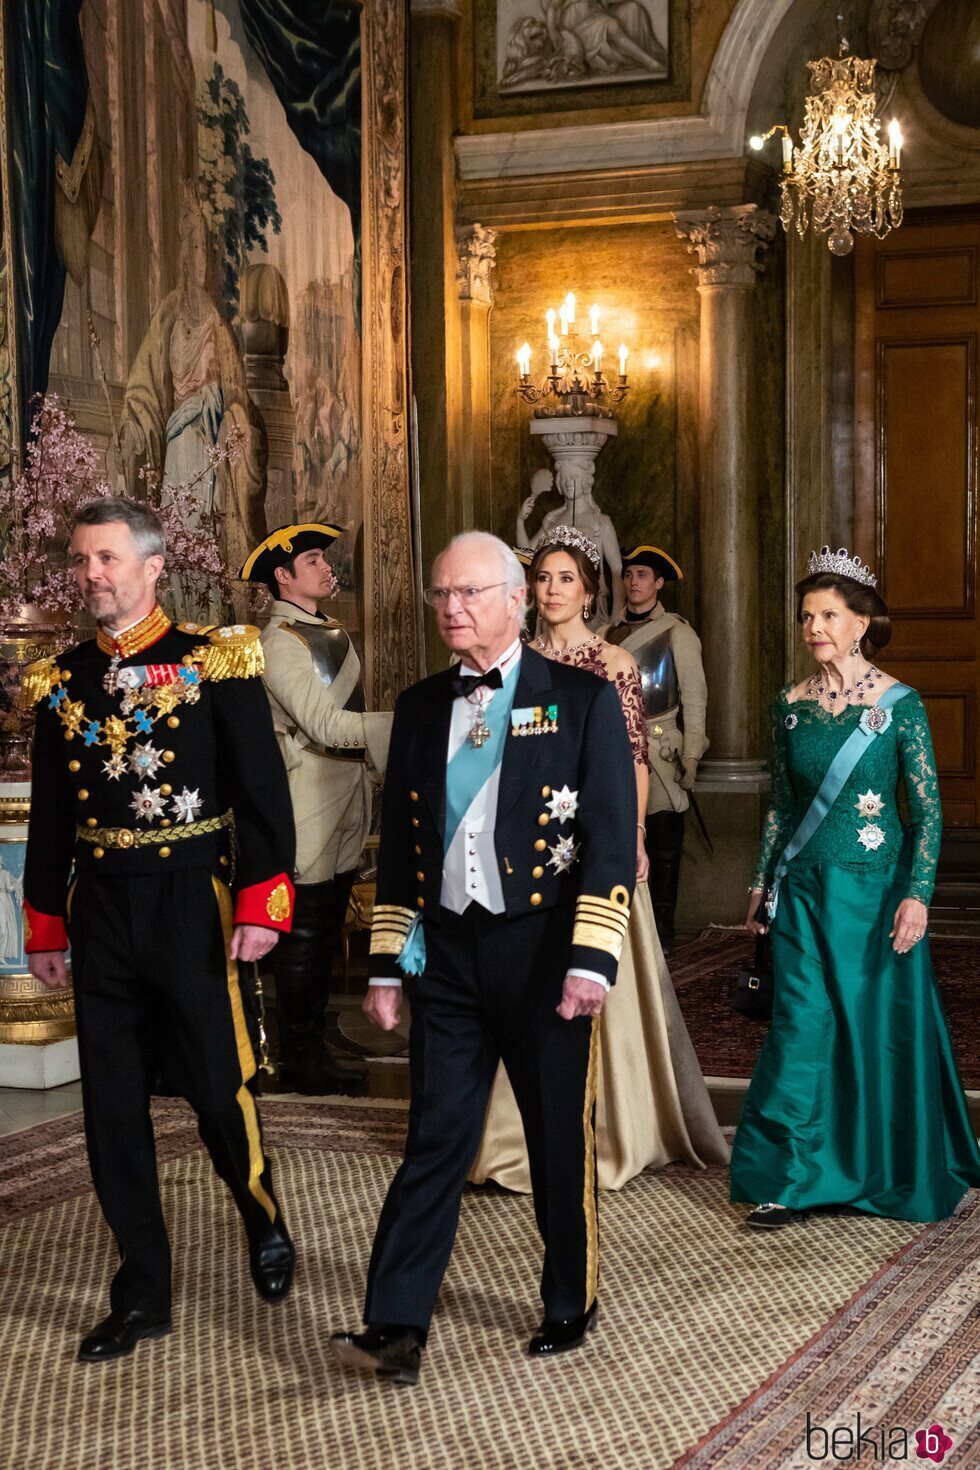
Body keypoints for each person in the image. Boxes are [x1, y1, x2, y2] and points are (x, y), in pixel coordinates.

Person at [330, 531, 637, 1386]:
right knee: (435, 1137)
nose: (450, 610)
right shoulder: (422, 704)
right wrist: (387, 964)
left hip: (544, 956)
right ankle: (395, 1323)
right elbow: (400, 848)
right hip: (449, 958)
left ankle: (569, 1298)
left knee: (553, 1139)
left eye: (467, 594)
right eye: (440, 596)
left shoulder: (580, 698)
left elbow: (611, 842)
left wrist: (592, 958)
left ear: (512, 599)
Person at [23, 497, 297, 1363]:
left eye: (106, 559)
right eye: (81, 560)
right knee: (111, 1108)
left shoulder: (215, 661)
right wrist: (43, 925)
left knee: (220, 1086)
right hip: (99, 906)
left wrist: (263, 903)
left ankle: (261, 1217)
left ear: (152, 566)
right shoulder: (60, 678)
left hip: (190, 898)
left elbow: (261, 794)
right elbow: (51, 820)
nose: (90, 575)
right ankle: (142, 1288)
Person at [472, 526, 729, 1192]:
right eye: (544, 578)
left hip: (595, 843)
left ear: (588, 592)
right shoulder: (514, 659)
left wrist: (632, 835)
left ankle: (617, 1121)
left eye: (566, 579)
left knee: (595, 971)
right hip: (531, 850)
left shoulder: (613, 663)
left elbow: (634, 761)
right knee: (528, 979)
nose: (552, 590)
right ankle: (515, 1127)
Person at [732, 548, 980, 1228]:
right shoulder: (789, 706)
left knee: (872, 1029)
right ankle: (789, 1176)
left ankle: (881, 1165)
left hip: (876, 896)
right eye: (807, 615)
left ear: (863, 622)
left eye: (829, 615)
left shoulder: (900, 705)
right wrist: (760, 882)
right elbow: (782, 806)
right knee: (800, 1026)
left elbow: (927, 813)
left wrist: (918, 894)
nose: (814, 627)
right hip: (805, 894)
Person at [240, 522, 392, 1094]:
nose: (328, 568)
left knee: (326, 926)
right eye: (312, 560)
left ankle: (312, 1045)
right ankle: (298, 1056)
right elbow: (325, 725)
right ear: (282, 576)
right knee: (302, 932)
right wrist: (412, 727)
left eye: (325, 559)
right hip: (306, 798)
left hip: (346, 791)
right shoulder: (279, 641)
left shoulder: (328, 632)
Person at [605, 545, 708, 951]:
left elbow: (695, 698)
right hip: (613, 748)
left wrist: (692, 755)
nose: (634, 582)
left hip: (661, 751)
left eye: (643, 575)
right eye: (629, 575)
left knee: (663, 851)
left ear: (659, 583)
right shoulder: (607, 634)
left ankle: (662, 934)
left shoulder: (677, 632)